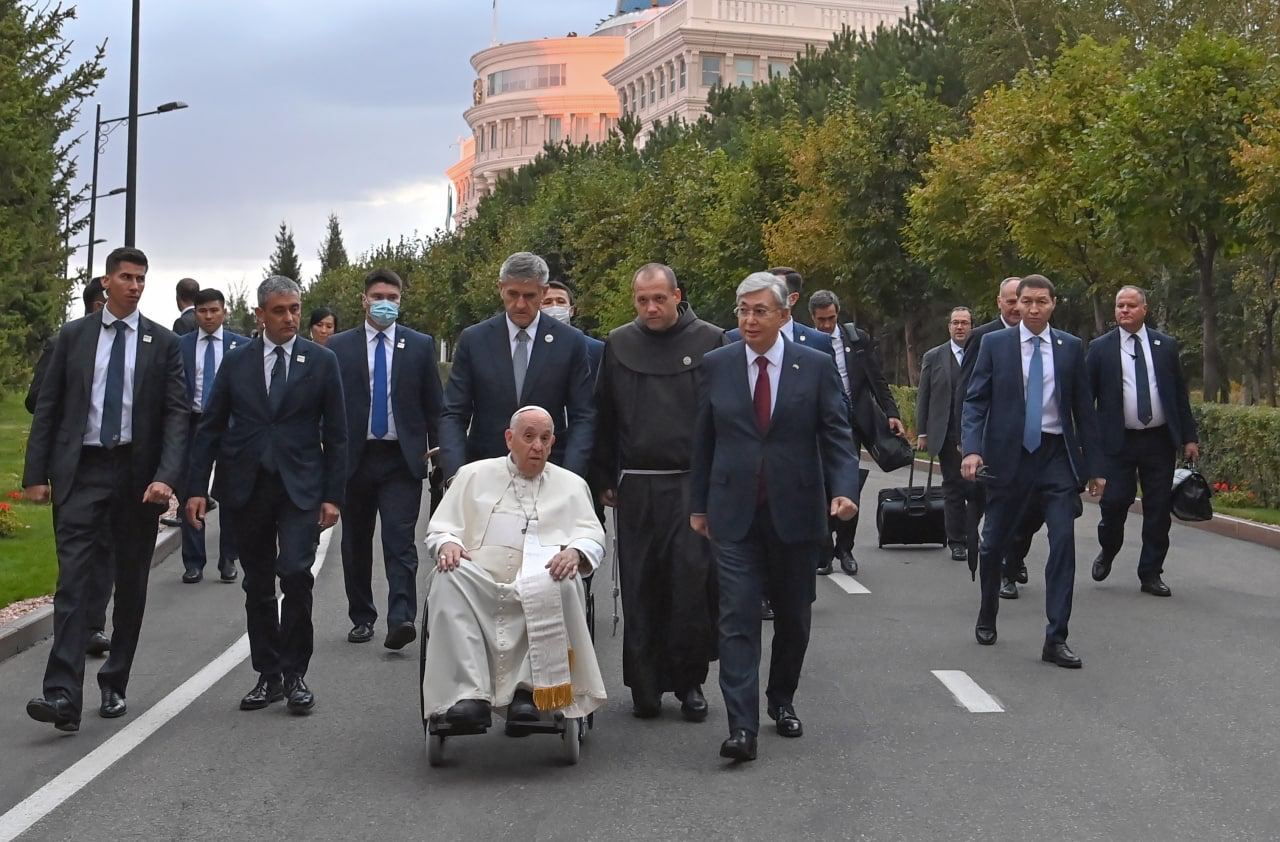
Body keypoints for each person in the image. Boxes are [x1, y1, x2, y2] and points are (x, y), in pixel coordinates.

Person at [691, 272, 859, 762]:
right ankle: (741, 727)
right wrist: (698, 504)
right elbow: (704, 439)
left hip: (796, 510)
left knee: (794, 617)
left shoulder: (816, 365)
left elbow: (837, 435)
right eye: (742, 310)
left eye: (760, 311)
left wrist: (844, 491)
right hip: (733, 512)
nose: (748, 319)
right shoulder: (716, 365)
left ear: (785, 316)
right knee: (737, 616)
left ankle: (780, 699)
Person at [23, 247, 188, 731]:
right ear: (106, 282)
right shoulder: (73, 337)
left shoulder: (162, 343)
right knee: (73, 582)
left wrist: (167, 476)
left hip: (137, 480)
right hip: (83, 472)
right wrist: (36, 475)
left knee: (131, 583)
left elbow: (177, 416)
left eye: (141, 279)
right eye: (126, 277)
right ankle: (61, 696)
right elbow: (49, 407)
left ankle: (114, 681)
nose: (135, 286)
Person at [186, 276, 347, 714]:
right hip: (247, 485)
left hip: (300, 488)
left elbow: (336, 433)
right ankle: (268, 674)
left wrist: (333, 495)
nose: (290, 318)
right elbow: (211, 426)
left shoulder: (320, 361)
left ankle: (297, 675)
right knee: (257, 583)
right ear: (260, 315)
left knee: (296, 573)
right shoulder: (237, 363)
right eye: (280, 310)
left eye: (295, 309)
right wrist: (197, 488)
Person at [591, 263, 726, 721]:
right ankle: (644, 685)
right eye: (642, 299)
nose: (650, 307)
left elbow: (722, 418)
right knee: (641, 584)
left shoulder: (710, 341)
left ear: (677, 296)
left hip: (690, 482)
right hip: (638, 485)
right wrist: (605, 475)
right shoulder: (619, 344)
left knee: (690, 585)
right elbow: (604, 415)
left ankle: (690, 683)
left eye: (659, 299)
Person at [422, 406, 606, 728]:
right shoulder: (472, 476)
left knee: (562, 580)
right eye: (529, 437)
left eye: (545, 439)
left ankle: (531, 692)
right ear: (509, 438)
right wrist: (449, 543)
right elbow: (442, 528)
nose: (537, 446)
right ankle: (468, 695)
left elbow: (592, 536)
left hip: (542, 575)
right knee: (448, 576)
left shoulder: (572, 485)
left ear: (552, 444)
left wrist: (575, 552)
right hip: (479, 580)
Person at [961, 274, 1104, 669]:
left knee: (1063, 542)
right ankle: (988, 610)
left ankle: (1056, 637)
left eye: (1042, 301)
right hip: (1009, 459)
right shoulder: (995, 344)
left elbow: (1084, 411)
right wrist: (972, 449)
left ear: (1053, 303)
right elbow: (975, 401)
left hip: (1056, 457)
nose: (1034, 308)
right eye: (1027, 302)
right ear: (1016, 305)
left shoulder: (1071, 348)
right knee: (992, 546)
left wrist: (1094, 466)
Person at [328, 268, 444, 649]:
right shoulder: (338, 348)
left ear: (400, 301)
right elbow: (324, 406)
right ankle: (362, 616)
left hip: (401, 460)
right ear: (364, 300)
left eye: (392, 298)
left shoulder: (420, 345)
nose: (385, 304)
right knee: (356, 542)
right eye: (378, 296)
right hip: (354, 459)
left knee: (399, 540)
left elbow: (434, 405)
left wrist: (443, 453)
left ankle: (401, 618)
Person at [439, 251, 596, 481]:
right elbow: (453, 413)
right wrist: (457, 474)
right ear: (500, 288)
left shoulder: (569, 341)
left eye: (529, 295)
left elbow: (583, 415)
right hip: (486, 471)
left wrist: (571, 477)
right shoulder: (475, 340)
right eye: (513, 294)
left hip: (550, 472)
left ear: (543, 292)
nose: (520, 304)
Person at [1087, 285, 1199, 597]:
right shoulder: (1100, 349)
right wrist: (1089, 445)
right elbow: (1085, 400)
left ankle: (1150, 572)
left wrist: (1189, 436)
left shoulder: (1165, 345)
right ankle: (1108, 549)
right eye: (1119, 305)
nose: (1124, 310)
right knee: (1114, 504)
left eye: (1131, 305)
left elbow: (1178, 394)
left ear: (1144, 310)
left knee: (1158, 509)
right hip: (1118, 442)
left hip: (1158, 441)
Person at [26, 278, 114, 658]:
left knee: (105, 550)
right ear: (97, 305)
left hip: (110, 464)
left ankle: (93, 625)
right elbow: (37, 401)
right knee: (75, 552)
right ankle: (75, 627)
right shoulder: (65, 341)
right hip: (72, 464)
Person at [809, 288, 903, 576]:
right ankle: (823, 551)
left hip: (851, 423)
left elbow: (876, 378)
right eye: (821, 320)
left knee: (848, 486)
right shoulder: (807, 343)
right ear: (812, 318)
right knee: (821, 489)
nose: (827, 325)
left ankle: (845, 548)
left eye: (831, 318)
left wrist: (892, 413)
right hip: (816, 425)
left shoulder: (855, 339)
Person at [178, 288, 249, 584]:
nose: (208, 316)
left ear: (224, 312)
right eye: (203, 311)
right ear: (195, 313)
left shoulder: (241, 346)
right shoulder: (179, 345)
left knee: (231, 492)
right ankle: (193, 561)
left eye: (214, 310)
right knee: (190, 490)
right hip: (193, 423)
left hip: (230, 426)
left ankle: (228, 557)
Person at [916, 306, 973, 561]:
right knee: (953, 486)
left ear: (972, 327)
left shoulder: (981, 353)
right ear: (948, 327)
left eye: (965, 323)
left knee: (977, 488)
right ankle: (957, 540)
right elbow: (924, 396)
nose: (960, 327)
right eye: (955, 323)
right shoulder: (934, 356)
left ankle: (973, 533)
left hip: (974, 433)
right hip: (946, 432)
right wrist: (922, 432)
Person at [541, 279, 604, 379]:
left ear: (571, 310)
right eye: (547, 302)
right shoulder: (528, 348)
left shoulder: (596, 349)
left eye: (561, 301)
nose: (554, 306)